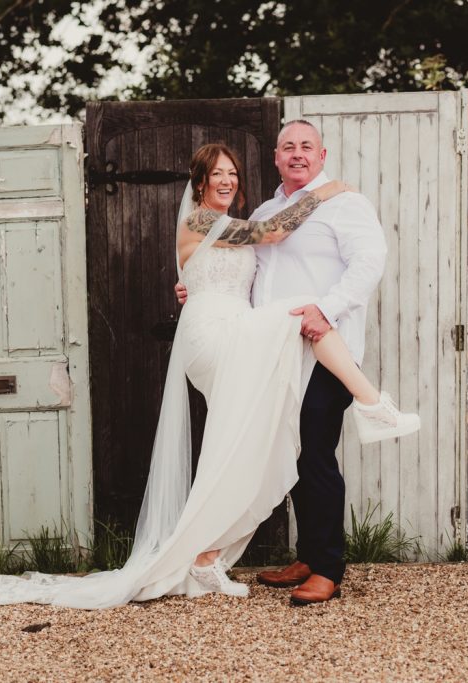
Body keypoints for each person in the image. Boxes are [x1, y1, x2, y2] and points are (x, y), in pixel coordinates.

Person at [0, 141, 416, 611]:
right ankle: (374, 405)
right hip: (215, 335)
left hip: (230, 324)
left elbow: (249, 267)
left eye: (232, 173)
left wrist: (190, 283)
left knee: (253, 446)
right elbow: (273, 234)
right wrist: (329, 190)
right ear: (199, 182)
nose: (227, 180)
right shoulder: (201, 219)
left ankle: (208, 555)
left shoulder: (226, 225)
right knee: (302, 318)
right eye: (217, 173)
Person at [176, 121, 393, 605]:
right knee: (290, 452)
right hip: (270, 348)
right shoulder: (265, 212)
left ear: (322, 153)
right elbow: (256, 253)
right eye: (288, 147)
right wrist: (195, 286)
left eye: (307, 147)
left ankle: (329, 567)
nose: (297, 154)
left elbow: (369, 263)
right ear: (275, 157)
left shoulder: (348, 204)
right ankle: (308, 555)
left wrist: (327, 308)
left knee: (315, 453)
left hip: (321, 347)